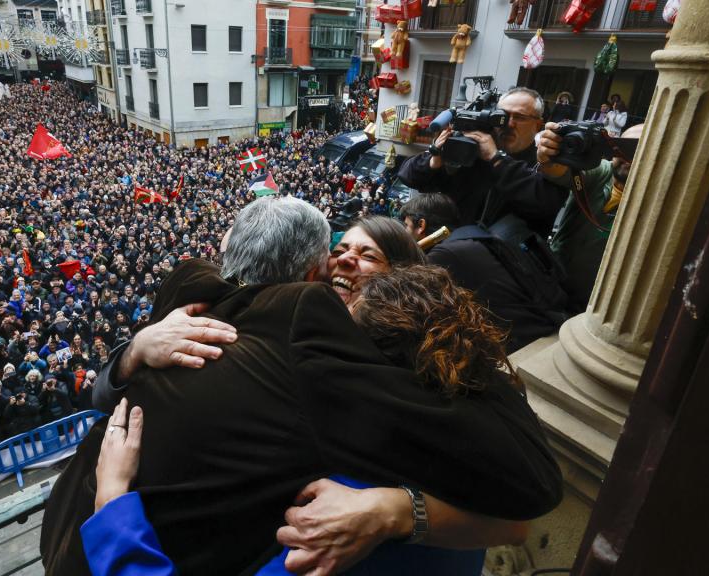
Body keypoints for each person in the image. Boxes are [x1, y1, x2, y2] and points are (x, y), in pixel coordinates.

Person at [42, 197, 561, 575]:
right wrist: (132, 353)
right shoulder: (231, 317)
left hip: (80, 532)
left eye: (370, 258)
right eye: (340, 252)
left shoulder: (209, 297)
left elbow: (515, 511)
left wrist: (394, 511)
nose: (346, 263)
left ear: (407, 286)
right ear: (314, 273)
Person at [400, 194, 565, 352]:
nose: (405, 232)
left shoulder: (444, 254)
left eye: (406, 226)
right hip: (541, 326)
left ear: (421, 225)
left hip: (519, 344)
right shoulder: (471, 236)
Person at [398, 87, 568, 236]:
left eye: (520, 117)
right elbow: (408, 176)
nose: (509, 124)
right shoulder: (472, 151)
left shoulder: (546, 163)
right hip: (453, 253)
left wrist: (496, 159)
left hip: (504, 264)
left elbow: (545, 203)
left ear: (538, 125)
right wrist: (434, 160)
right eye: (502, 115)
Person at [537, 121, 644, 311]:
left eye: (640, 150)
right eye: (622, 148)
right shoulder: (600, 170)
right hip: (551, 283)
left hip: (596, 305)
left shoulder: (657, 201)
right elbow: (556, 170)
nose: (627, 157)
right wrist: (549, 153)